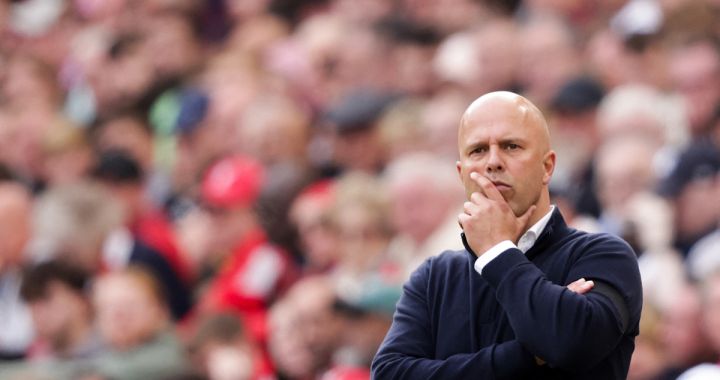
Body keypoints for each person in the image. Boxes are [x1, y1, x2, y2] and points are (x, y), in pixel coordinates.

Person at [372, 91, 642, 379]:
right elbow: (390, 374)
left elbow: (569, 344)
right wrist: (529, 354)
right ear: (461, 174)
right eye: (477, 150)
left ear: (547, 166)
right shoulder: (435, 276)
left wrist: (497, 250)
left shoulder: (605, 255)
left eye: (511, 146)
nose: (493, 162)